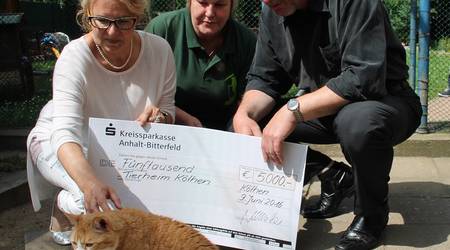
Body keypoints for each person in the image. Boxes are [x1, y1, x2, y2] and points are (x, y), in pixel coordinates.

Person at [232, 0, 422, 249]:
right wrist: (244, 113)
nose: (266, 1)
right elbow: (265, 78)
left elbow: (363, 79)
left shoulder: (355, 3)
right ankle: (333, 176)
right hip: (321, 108)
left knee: (357, 124)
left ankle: (371, 216)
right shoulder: (272, 9)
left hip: (385, 101)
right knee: (245, 125)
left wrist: (292, 111)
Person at [26, 0, 176, 245]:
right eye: (102, 21)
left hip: (120, 150)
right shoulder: (74, 58)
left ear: (137, 18)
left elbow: (168, 109)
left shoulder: (160, 51)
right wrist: (89, 183)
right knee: (95, 206)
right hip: (61, 143)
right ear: (87, 16)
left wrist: (161, 118)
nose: (113, 31)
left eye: (124, 21)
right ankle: (66, 202)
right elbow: (65, 134)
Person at [145, 0, 256, 130]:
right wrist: (182, 118)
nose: (210, 13)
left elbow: (247, 100)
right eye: (203, 3)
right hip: (168, 129)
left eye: (219, 5)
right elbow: (143, 92)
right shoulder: (162, 29)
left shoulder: (246, 41)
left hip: (223, 132)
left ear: (231, 6)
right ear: (190, 2)